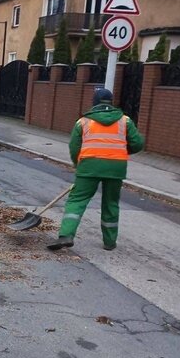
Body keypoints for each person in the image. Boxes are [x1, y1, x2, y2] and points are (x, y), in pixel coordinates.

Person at [48, 87, 144, 251]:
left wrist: (79, 166)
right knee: (111, 203)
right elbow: (138, 144)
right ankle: (109, 242)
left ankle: (66, 235)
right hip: (116, 168)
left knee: (77, 201)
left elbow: (74, 147)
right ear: (111, 102)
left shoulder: (83, 122)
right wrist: (120, 150)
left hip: (89, 167)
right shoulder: (125, 121)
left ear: (94, 103)